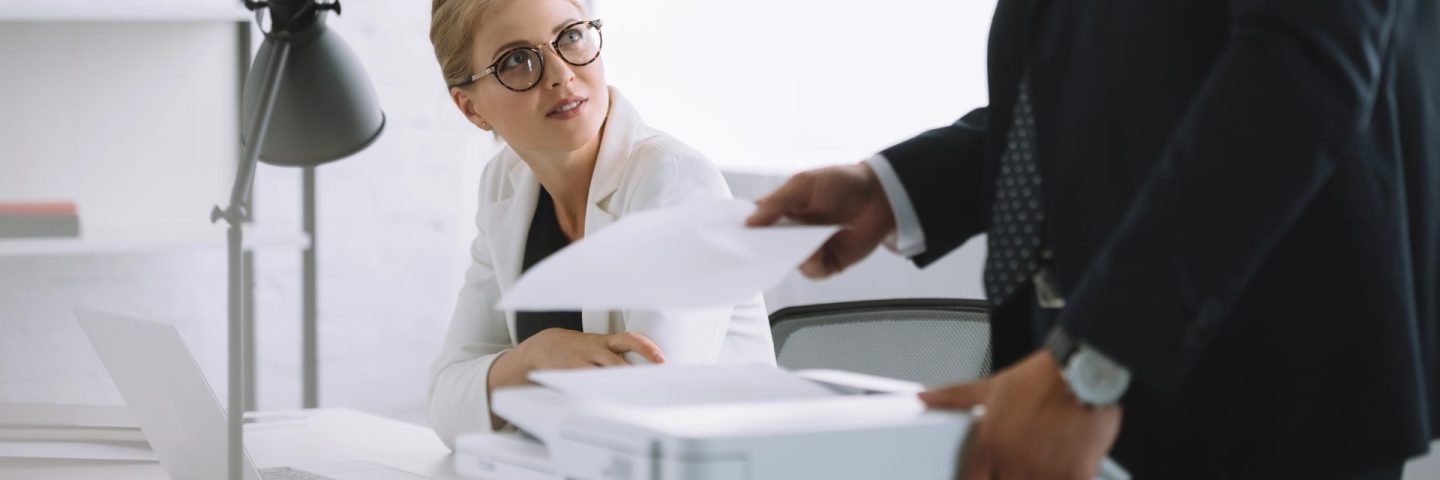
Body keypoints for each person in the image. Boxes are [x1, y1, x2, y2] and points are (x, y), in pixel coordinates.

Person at [748, 1, 1439, 478]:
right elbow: (1106, 92)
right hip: (1114, 381)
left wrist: (1091, 364)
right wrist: (892, 189)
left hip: (1265, 391)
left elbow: (1300, 74)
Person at [426, 0, 775, 448]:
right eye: (516, 60)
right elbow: (446, 400)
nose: (560, 74)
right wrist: (534, 358)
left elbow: (644, 411)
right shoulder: (503, 186)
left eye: (570, 36)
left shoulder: (676, 181)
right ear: (472, 109)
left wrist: (508, 383)